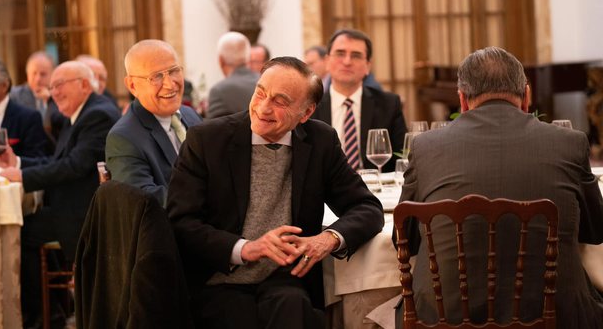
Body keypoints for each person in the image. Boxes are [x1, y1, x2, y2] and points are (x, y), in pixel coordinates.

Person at [167, 56, 384, 329]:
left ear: (306, 113)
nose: (263, 108)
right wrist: (246, 248)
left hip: (286, 278)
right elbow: (181, 222)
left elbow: (367, 208)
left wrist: (326, 240)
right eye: (260, 93)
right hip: (218, 278)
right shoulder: (207, 139)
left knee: (294, 309)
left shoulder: (321, 141)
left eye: (280, 101)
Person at [396, 47, 603, 328]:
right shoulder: (570, 143)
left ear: (462, 100)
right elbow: (595, 230)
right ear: (527, 96)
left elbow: (405, 239)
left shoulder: (425, 147)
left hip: (442, 318)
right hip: (556, 317)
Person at [0, 61, 120, 328]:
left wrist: (23, 177)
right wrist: (18, 163)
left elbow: (74, 166)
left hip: (86, 214)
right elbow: (58, 161)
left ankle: (44, 316)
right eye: (52, 87)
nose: (53, 92)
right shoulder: (80, 114)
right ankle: (57, 307)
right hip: (71, 205)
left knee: (20, 231)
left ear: (84, 85)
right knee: (26, 224)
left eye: (59, 85)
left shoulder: (97, 115)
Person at [105, 40, 202, 206]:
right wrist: (207, 198)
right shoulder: (123, 138)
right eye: (156, 76)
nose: (170, 84)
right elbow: (143, 201)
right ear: (132, 86)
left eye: (173, 71)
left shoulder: (190, 115)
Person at [311, 29, 407, 171]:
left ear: (368, 65)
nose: (347, 62)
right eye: (340, 53)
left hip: (376, 183)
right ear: (327, 61)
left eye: (356, 55)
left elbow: (402, 157)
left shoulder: (389, 104)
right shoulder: (310, 106)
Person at [9, 51, 66, 148]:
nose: (38, 79)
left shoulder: (62, 95)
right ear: (27, 74)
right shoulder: (14, 96)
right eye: (34, 73)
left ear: (53, 74)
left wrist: (50, 100)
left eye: (43, 74)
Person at [207, 31, 259, 118]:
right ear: (248, 57)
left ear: (221, 60)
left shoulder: (220, 91)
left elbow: (213, 126)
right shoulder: (263, 81)